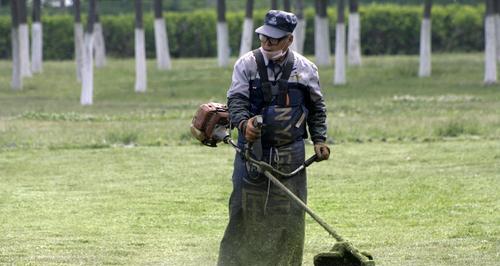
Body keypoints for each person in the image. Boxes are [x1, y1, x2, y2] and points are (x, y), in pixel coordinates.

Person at [217, 10, 330, 266]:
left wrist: (320, 139)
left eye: (275, 39)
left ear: (289, 40)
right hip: (252, 152)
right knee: (243, 212)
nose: (267, 42)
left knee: (290, 216)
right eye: (264, 36)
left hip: (292, 154)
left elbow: (317, 108)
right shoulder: (246, 64)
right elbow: (236, 101)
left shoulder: (306, 69)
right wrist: (243, 124)